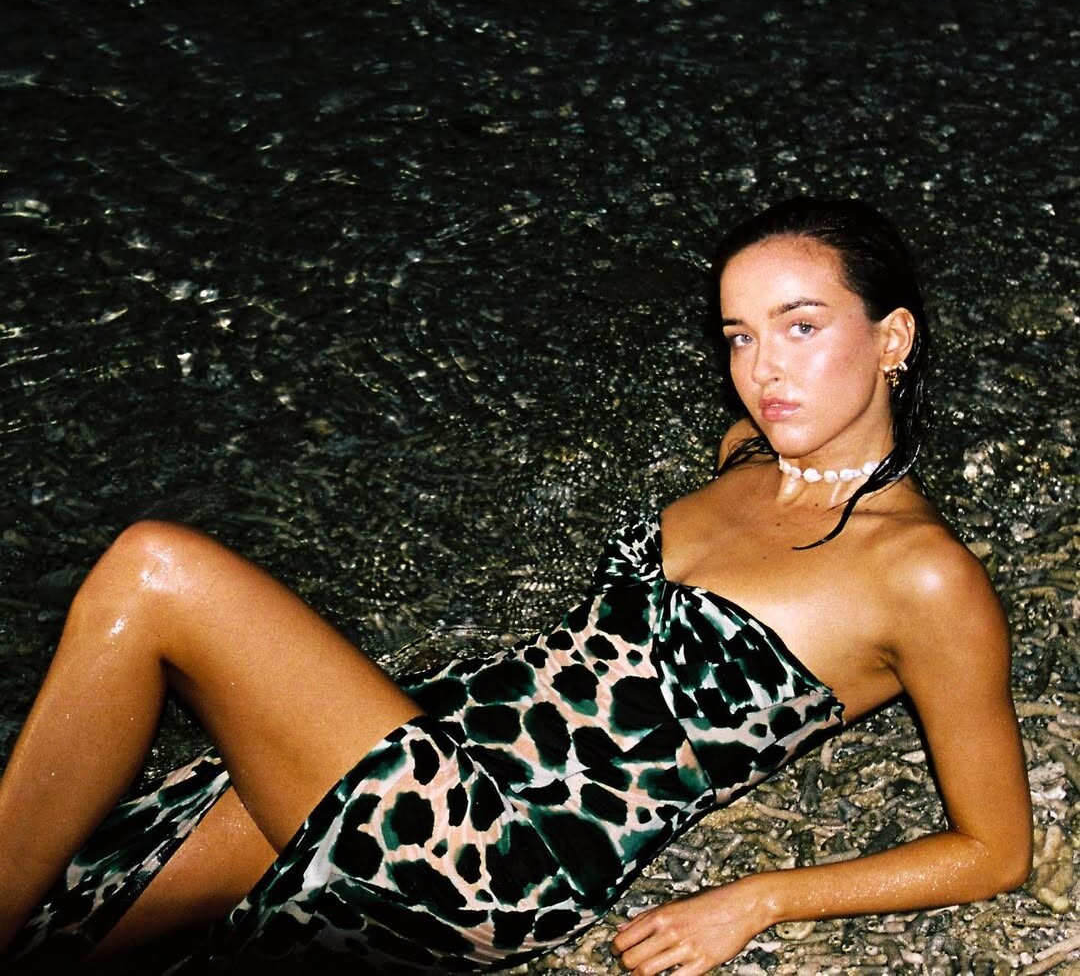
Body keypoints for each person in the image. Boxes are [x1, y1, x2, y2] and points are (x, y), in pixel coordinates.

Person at [0, 197, 1032, 975]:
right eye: (740, 336)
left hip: (500, 852)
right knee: (87, 921)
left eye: (801, 326)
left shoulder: (923, 577)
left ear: (893, 338)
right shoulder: (747, 452)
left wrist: (756, 899)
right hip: (435, 740)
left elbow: (993, 849)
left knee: (157, 569)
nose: (764, 370)